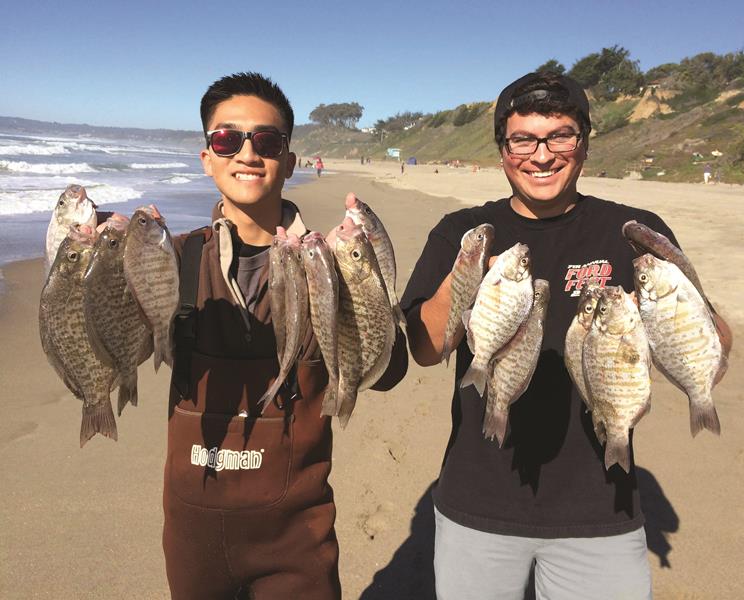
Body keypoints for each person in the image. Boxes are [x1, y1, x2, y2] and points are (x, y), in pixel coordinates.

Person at [402, 72, 681, 600]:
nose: (542, 154)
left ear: (584, 141)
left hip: (602, 507)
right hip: (479, 498)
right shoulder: (462, 230)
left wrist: (672, 305)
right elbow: (424, 348)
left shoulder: (632, 232)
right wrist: (466, 276)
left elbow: (711, 343)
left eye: (560, 135)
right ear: (503, 149)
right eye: (523, 139)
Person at [164, 71, 408, 600]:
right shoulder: (173, 258)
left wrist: (367, 287)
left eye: (267, 141)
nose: (247, 153)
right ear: (207, 157)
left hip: (295, 537)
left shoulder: (335, 259)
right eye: (227, 139)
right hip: (192, 536)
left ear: (290, 161)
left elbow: (389, 372)